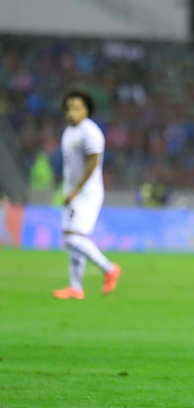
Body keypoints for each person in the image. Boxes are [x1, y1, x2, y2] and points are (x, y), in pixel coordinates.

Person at [53, 91, 121, 300]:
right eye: (68, 108)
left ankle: (109, 268)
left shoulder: (90, 132)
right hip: (73, 191)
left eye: (76, 108)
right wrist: (68, 189)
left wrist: (75, 191)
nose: (71, 112)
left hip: (86, 193)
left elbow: (92, 164)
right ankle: (76, 287)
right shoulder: (68, 132)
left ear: (86, 110)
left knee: (71, 237)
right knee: (73, 237)